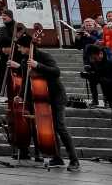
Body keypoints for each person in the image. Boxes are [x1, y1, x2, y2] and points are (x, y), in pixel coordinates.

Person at [11, 33, 79, 168]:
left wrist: (38, 65)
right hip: (42, 97)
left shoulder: (44, 56)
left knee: (60, 127)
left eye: (20, 47)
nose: (19, 50)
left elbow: (56, 71)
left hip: (56, 95)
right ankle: (57, 157)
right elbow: (25, 81)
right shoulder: (25, 61)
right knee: (50, 129)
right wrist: (20, 95)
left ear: (27, 47)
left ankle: (74, 159)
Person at [74, 18, 103, 107]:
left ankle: (106, 100)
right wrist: (77, 38)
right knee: (92, 82)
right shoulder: (83, 34)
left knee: (103, 81)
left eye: (90, 25)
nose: (88, 27)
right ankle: (95, 100)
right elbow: (78, 47)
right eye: (86, 25)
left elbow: (100, 43)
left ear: (94, 25)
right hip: (88, 60)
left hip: (99, 60)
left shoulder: (98, 32)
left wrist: (89, 36)